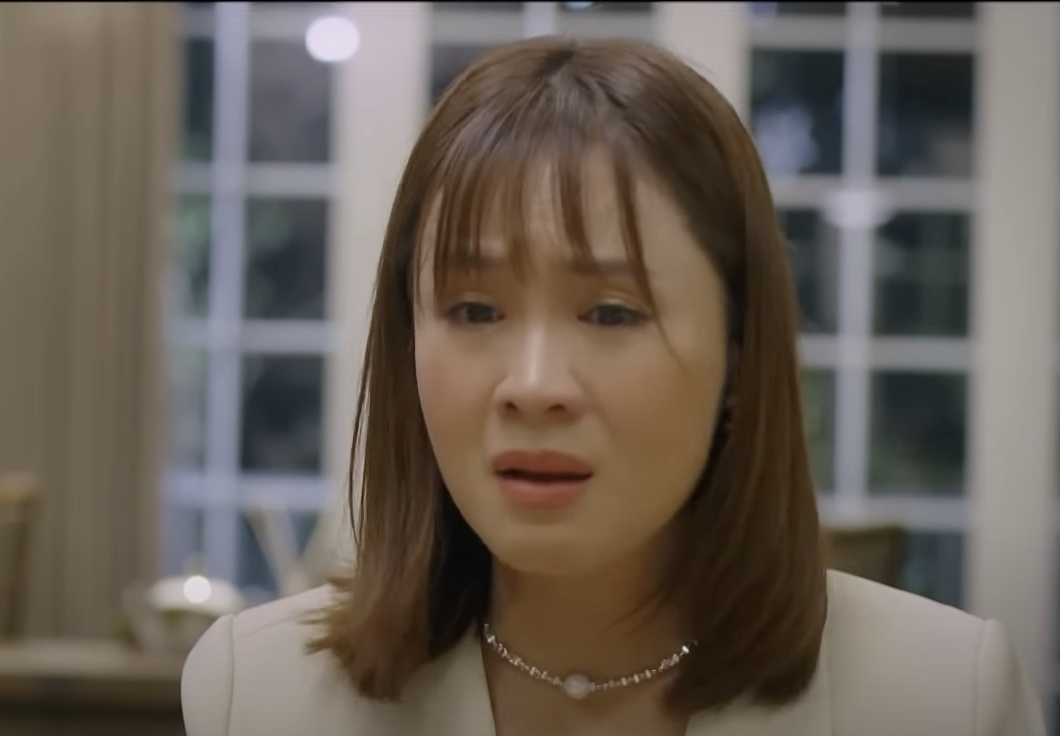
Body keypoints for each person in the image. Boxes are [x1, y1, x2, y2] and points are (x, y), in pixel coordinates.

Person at [180, 36, 1045, 736]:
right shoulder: (257, 695)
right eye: (475, 310)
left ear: (739, 358)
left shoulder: (942, 696)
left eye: (611, 313)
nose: (533, 388)